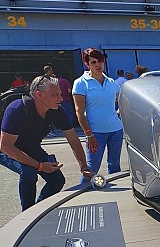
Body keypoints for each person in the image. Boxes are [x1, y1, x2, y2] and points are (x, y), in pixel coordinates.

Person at [0, 75, 93, 211]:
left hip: (31, 147)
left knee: (57, 180)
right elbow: (5, 146)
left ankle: (37, 211)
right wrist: (40, 166)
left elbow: (73, 139)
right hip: (7, 149)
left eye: (60, 94)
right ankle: (27, 214)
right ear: (39, 95)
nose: (61, 99)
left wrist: (84, 166)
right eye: (55, 95)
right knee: (29, 174)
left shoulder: (57, 110)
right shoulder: (18, 109)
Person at [72, 48, 124, 182]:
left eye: (100, 61)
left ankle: (116, 196)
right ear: (87, 64)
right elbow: (79, 111)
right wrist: (89, 134)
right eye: (93, 62)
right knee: (91, 170)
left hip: (116, 131)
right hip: (95, 133)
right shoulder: (81, 83)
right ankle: (85, 197)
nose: (98, 65)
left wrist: (118, 113)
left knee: (114, 167)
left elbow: (123, 101)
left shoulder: (111, 82)